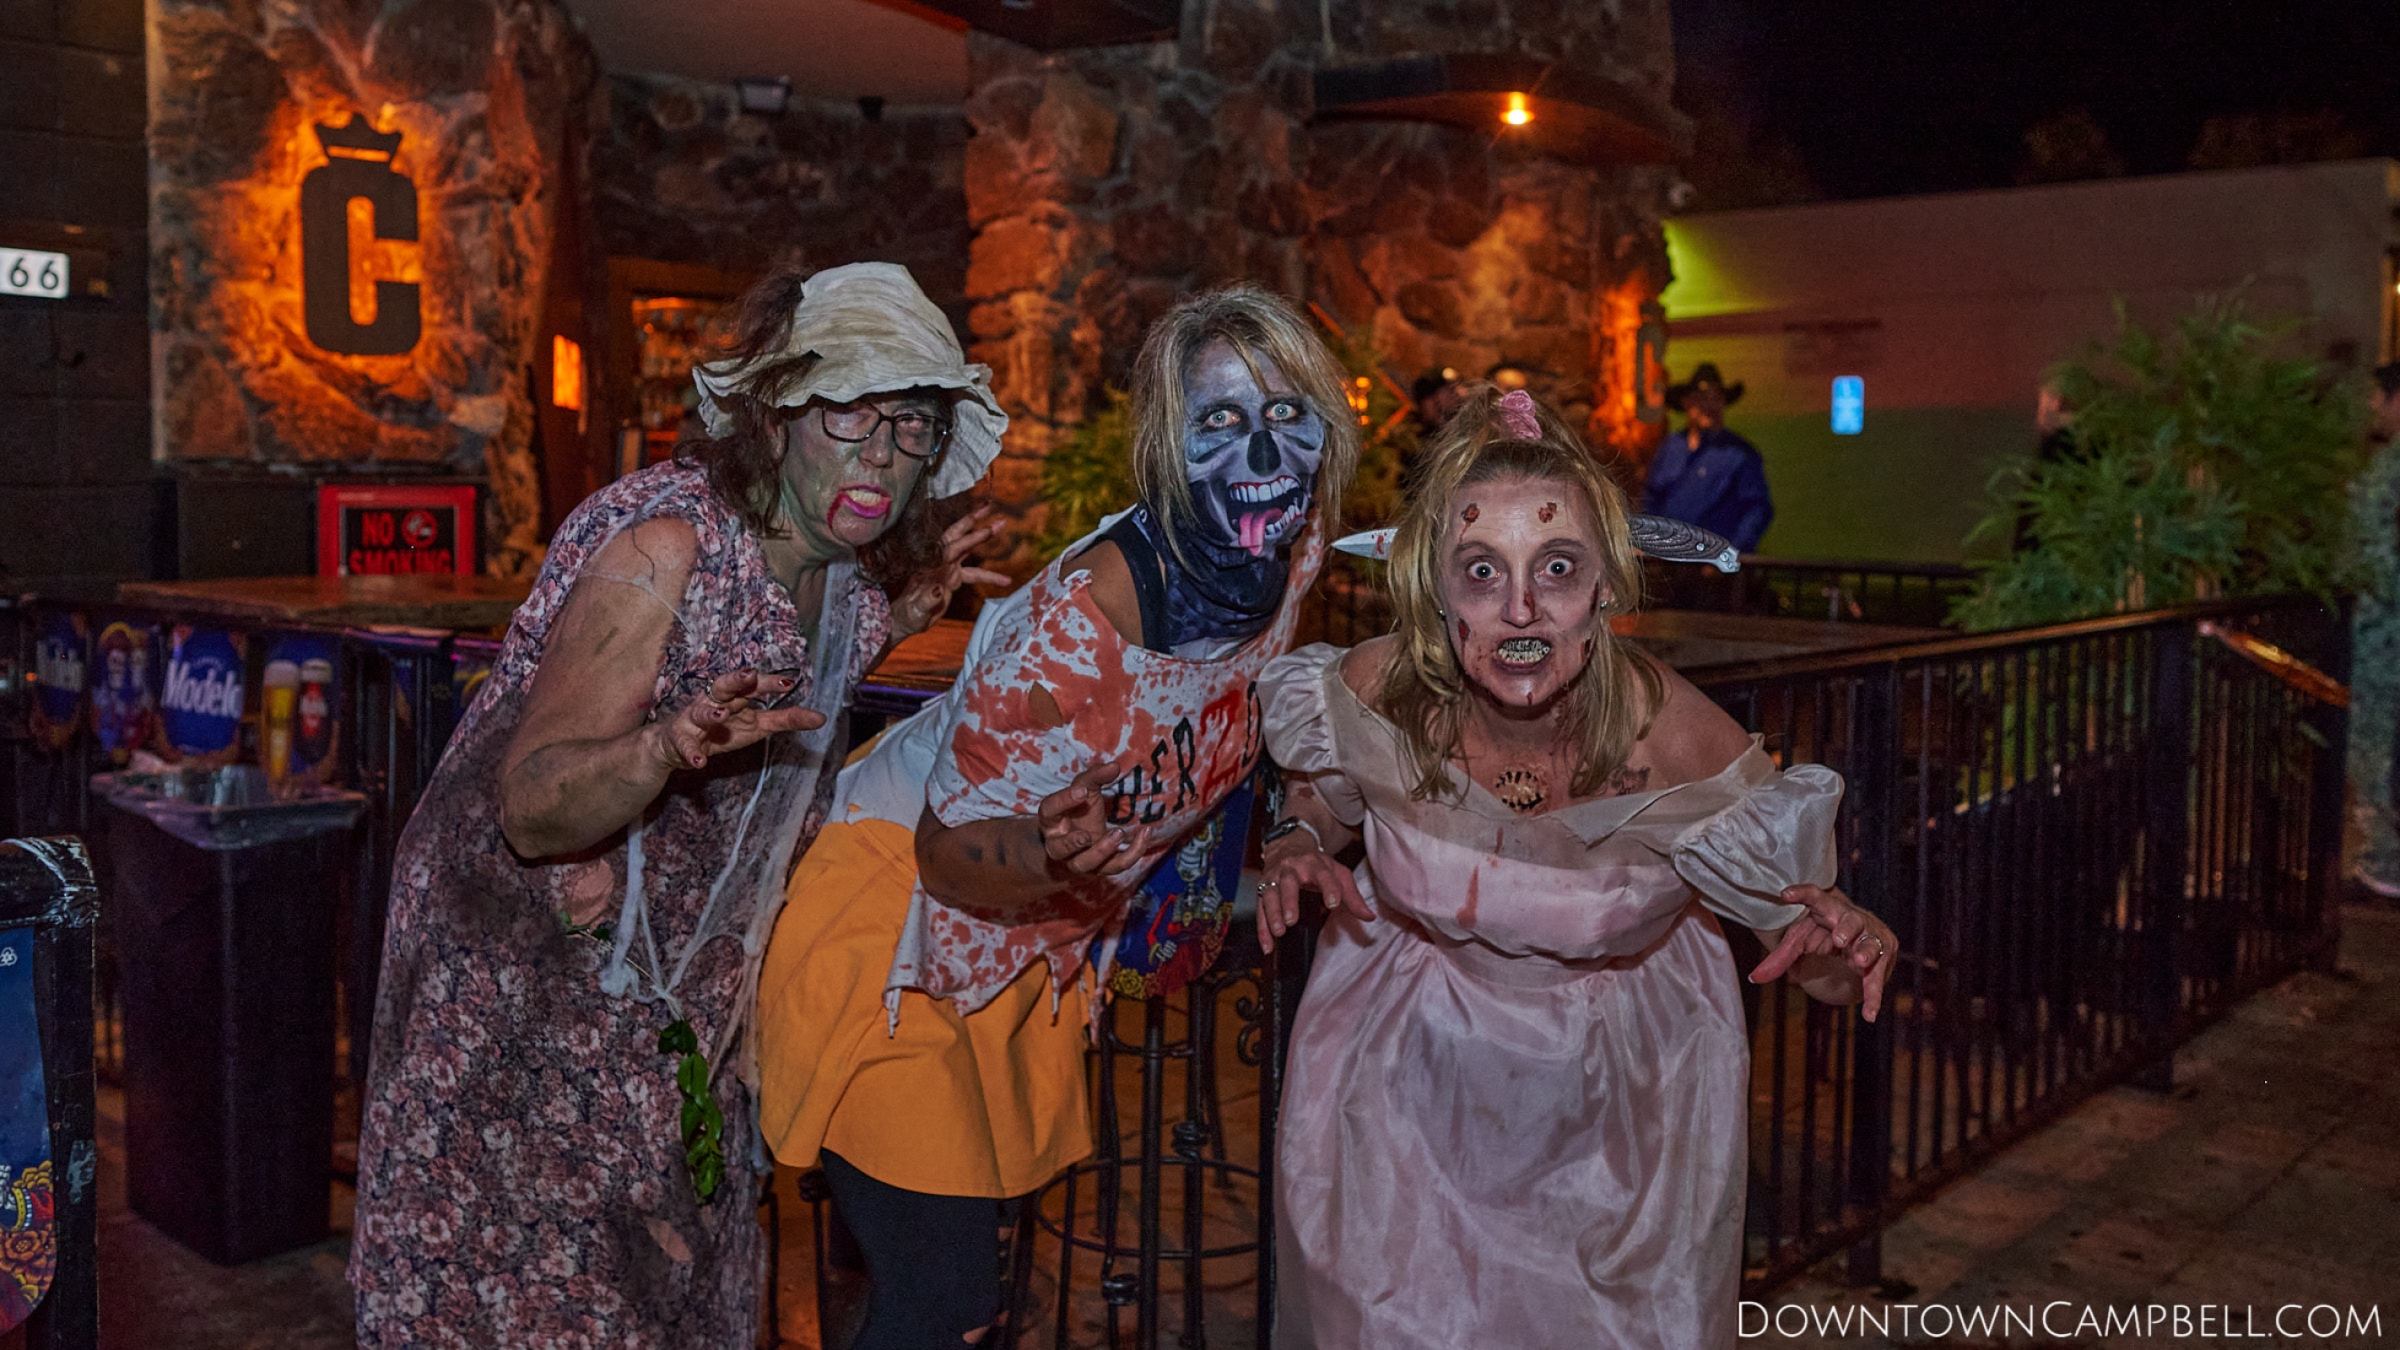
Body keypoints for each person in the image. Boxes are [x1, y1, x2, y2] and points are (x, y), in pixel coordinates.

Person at [350, 261, 1010, 1347]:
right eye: (851, 410)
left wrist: (905, 615)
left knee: (671, 1295)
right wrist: (663, 746)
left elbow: (793, 686)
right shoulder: (665, 547)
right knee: (544, 1304)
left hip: (668, 1002)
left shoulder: (841, 582)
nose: (883, 455)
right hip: (529, 997)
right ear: (777, 412)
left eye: (912, 426)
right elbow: (532, 805)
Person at [753, 285, 1359, 1349]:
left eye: (1287, 413)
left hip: (1027, 947)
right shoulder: (1076, 631)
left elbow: (1250, 714)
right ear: (1166, 442)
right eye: (1221, 420)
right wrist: (1047, 850)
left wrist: (1284, 837)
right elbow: (947, 854)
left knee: (935, 1294)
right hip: (899, 924)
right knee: (940, 1297)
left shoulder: (1287, 554)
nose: (1261, 453)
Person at [1254, 387, 1896, 1348]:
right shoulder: (1378, 688)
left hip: (1618, 1121)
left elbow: (1816, 963)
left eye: (1556, 567)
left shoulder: (1675, 739)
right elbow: (1324, 793)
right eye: (1482, 571)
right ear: (1435, 589)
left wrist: (1849, 945)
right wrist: (1297, 843)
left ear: (1606, 584)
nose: (1520, 607)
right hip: (1403, 1081)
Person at [1642, 361, 1773, 552]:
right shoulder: (1671, 447)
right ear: (1687, 402)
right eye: (1703, 398)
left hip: (1714, 561)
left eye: (1716, 398)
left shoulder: (1740, 454)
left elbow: (1756, 510)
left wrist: (1729, 554)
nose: (1710, 405)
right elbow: (1651, 499)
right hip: (1668, 559)